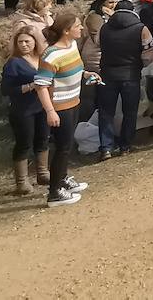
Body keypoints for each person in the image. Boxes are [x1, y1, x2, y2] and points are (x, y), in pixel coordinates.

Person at [33, 11, 94, 207]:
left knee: (66, 146)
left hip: (73, 101)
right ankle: (54, 192)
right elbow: (41, 85)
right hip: (60, 107)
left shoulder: (73, 45)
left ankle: (62, 179)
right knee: (63, 148)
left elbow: (72, 69)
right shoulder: (51, 55)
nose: (81, 28)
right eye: (77, 26)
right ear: (67, 31)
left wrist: (85, 74)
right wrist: (50, 111)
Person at [94, 0, 151, 160]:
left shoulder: (104, 28)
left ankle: (106, 148)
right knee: (130, 112)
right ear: (133, 11)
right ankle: (125, 146)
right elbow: (148, 55)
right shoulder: (141, 28)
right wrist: (140, 65)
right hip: (130, 75)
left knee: (105, 113)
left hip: (107, 75)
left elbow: (98, 45)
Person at [0, 28, 48, 194]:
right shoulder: (14, 63)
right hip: (23, 109)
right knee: (24, 143)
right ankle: (22, 182)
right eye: (20, 42)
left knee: (43, 139)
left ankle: (42, 173)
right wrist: (29, 87)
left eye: (27, 41)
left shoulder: (43, 57)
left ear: (35, 41)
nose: (24, 44)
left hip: (43, 106)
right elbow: (5, 89)